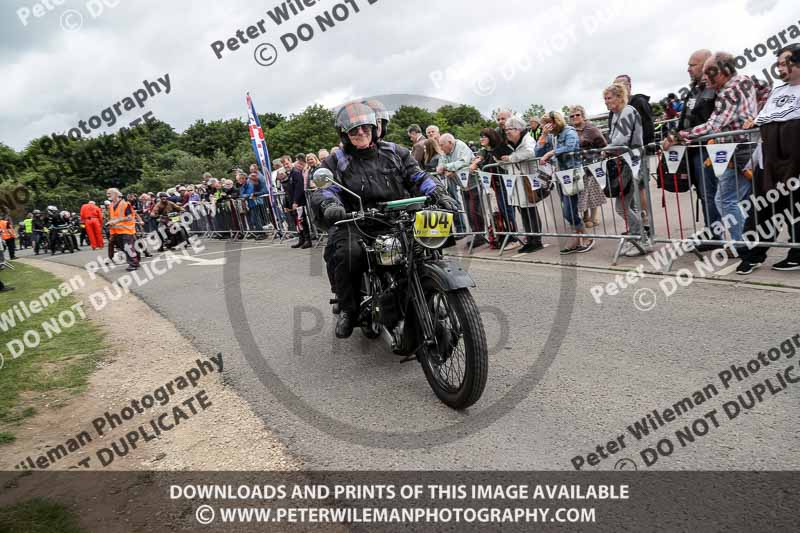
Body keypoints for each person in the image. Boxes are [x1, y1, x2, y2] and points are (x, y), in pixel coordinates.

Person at [311, 102, 457, 338]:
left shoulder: (395, 152)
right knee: (348, 253)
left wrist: (439, 193)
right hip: (357, 222)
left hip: (397, 217)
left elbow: (418, 175)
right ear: (345, 135)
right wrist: (331, 204)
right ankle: (349, 309)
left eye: (365, 128)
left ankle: (433, 289)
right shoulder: (336, 160)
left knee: (425, 247)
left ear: (375, 128)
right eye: (354, 130)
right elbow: (326, 189)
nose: (360, 133)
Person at [680, 52, 758, 252]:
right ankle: (744, 243)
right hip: (734, 151)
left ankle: (743, 246)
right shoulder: (738, 83)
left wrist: (679, 136)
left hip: (739, 150)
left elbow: (713, 125)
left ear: (723, 71)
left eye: (709, 72)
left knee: (726, 199)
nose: (705, 77)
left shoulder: (732, 89)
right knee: (730, 199)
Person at [736, 43, 800, 274]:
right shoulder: (778, 91)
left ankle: (797, 253)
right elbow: (762, 117)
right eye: (779, 63)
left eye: (786, 63)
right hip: (768, 161)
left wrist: (763, 120)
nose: (780, 68)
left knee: (795, 209)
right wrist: (755, 121)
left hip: (794, 162)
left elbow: (790, 115)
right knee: (762, 209)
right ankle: (752, 254)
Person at [663, 49, 721, 242]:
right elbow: (684, 121)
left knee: (711, 193)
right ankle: (711, 230)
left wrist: (681, 136)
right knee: (704, 194)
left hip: (709, 149)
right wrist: (673, 136)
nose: (688, 69)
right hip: (693, 150)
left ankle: (716, 235)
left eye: (692, 64)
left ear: (706, 65)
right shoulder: (694, 90)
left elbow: (712, 122)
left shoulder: (714, 89)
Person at [535, 111, 592, 254]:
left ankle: (586, 237)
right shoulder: (551, 136)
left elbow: (571, 147)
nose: (545, 126)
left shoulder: (569, 131)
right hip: (560, 176)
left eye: (547, 123)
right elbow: (536, 152)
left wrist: (551, 153)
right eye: (543, 124)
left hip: (572, 174)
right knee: (568, 210)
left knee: (568, 210)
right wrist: (543, 135)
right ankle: (578, 237)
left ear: (555, 122)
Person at [604, 83, 649, 257]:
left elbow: (620, 139)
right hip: (625, 161)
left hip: (632, 162)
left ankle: (640, 236)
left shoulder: (628, 111)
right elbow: (615, 138)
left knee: (621, 206)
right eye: (605, 99)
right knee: (627, 204)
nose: (606, 102)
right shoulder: (617, 114)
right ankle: (636, 238)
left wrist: (605, 148)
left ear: (619, 97)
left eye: (609, 98)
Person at [497, 115, 544, 254]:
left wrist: (511, 158)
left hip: (527, 180)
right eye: (506, 130)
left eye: (509, 130)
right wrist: (503, 162)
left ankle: (536, 240)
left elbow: (530, 153)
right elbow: (510, 162)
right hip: (517, 181)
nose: (507, 133)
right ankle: (530, 239)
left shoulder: (527, 139)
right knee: (522, 210)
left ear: (518, 129)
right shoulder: (511, 143)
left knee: (530, 209)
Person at [469, 127, 515, 248]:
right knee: (500, 212)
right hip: (494, 186)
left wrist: (477, 162)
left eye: (484, 136)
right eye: (480, 136)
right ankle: (504, 236)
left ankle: (513, 238)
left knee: (507, 211)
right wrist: (476, 162)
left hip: (504, 184)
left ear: (491, 137)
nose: (481, 139)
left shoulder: (499, 149)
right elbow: (481, 158)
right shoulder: (485, 151)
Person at [568, 105, 607, 229]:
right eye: (572, 116)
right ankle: (585, 215)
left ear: (583, 115)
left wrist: (598, 156)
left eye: (577, 115)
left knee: (592, 191)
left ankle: (594, 216)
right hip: (577, 166)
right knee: (582, 192)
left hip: (592, 164)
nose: (575, 117)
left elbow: (603, 144)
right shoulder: (570, 130)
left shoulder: (591, 129)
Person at [437, 133, 473, 235]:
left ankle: (479, 235)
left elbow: (464, 162)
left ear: (450, 143)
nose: (440, 147)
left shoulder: (461, 146)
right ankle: (474, 234)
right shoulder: (445, 151)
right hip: (461, 185)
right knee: (468, 210)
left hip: (471, 182)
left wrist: (447, 167)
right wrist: (443, 168)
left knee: (474, 210)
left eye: (442, 145)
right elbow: (441, 163)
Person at [105, 188, 139, 271]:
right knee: (125, 248)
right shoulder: (111, 205)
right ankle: (136, 260)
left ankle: (133, 264)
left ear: (116, 194)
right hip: (116, 231)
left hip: (126, 230)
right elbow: (114, 217)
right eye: (107, 194)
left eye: (109, 193)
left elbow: (129, 217)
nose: (108, 195)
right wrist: (110, 222)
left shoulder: (125, 204)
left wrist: (116, 221)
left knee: (128, 247)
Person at [286, 154, 311, 248]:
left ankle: (307, 240)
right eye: (284, 164)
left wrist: (295, 201)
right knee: (297, 221)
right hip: (293, 203)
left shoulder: (296, 172)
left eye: (287, 163)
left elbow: (299, 188)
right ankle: (301, 239)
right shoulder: (291, 173)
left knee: (302, 220)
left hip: (299, 202)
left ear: (291, 161)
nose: (286, 166)